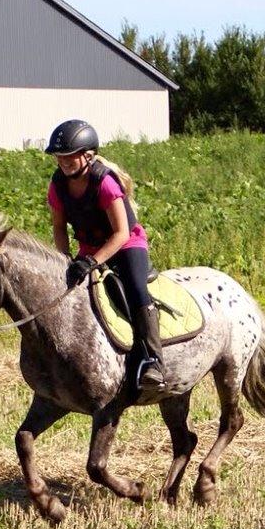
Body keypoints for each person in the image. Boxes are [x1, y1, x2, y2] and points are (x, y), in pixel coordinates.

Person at [45, 118, 166, 394]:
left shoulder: (105, 183)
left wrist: (92, 261)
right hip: (89, 249)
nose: (62, 162)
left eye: (68, 156)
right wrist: (65, 260)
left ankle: (153, 360)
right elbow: (58, 227)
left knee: (136, 289)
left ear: (87, 156)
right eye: (59, 157)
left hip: (125, 246)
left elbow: (122, 233)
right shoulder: (58, 186)